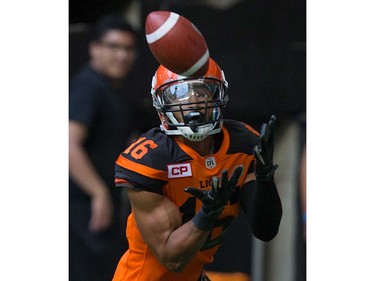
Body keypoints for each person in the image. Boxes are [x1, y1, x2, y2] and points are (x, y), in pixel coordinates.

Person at [112, 58, 283, 281]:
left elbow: (266, 230)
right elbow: (172, 258)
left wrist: (265, 179)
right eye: (179, 93)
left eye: (202, 92)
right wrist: (208, 213)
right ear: (161, 102)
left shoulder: (241, 144)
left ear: (218, 96)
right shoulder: (152, 158)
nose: (192, 101)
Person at [69, 14, 139, 281]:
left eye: (128, 49)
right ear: (95, 48)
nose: (122, 55)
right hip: (79, 206)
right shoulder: (88, 87)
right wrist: (98, 193)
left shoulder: (112, 90)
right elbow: (67, 144)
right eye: (114, 47)